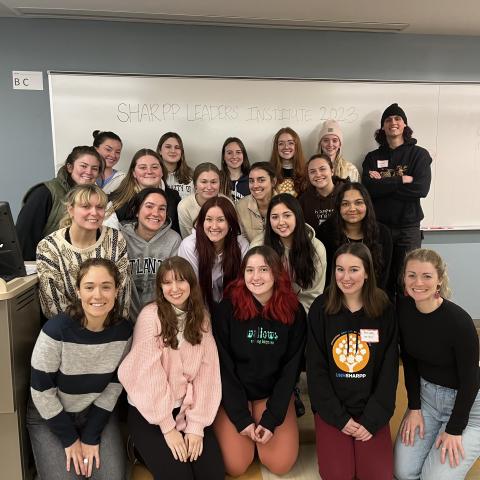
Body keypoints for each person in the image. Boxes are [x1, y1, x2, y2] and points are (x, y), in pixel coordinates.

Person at [118, 256, 224, 480]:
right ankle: (139, 448)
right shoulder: (150, 317)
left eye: (181, 281)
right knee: (180, 476)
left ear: (191, 285)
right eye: (167, 283)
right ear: (160, 288)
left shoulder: (201, 318)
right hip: (151, 411)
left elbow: (208, 374)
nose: (174, 288)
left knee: (212, 475)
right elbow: (147, 377)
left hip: (186, 408)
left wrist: (195, 427)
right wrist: (168, 428)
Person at [27, 258, 132, 480]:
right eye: (89, 287)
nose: (98, 295)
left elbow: (114, 385)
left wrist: (91, 436)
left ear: (116, 290)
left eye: (106, 287)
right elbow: (41, 392)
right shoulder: (56, 331)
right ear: (78, 291)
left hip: (95, 411)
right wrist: (70, 440)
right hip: (50, 414)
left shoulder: (124, 333)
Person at [212, 246, 307, 476]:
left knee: (280, 464)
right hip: (236, 394)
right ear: (242, 274)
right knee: (234, 465)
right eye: (250, 270)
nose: (256, 277)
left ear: (276, 273)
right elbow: (223, 367)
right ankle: (246, 436)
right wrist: (241, 418)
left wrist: (272, 418)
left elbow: (291, 370)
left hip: (271, 394)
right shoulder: (227, 308)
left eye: (264, 269)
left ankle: (260, 433)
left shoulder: (294, 311)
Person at [307, 243, 398, 480]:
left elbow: (389, 371)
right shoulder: (321, 308)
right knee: (338, 475)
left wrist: (373, 419)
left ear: (367, 272)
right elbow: (316, 370)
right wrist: (339, 417)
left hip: (371, 408)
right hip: (333, 409)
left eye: (354, 270)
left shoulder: (384, 308)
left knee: (377, 476)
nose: (346, 277)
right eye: (340, 269)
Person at [394, 248, 480, 480]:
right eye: (411, 275)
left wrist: (454, 429)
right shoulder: (403, 310)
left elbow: (471, 381)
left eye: (427, 276)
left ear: (439, 280)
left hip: (468, 407)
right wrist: (414, 407)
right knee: (403, 472)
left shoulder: (459, 322)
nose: (418, 282)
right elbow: (410, 361)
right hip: (427, 399)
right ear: (404, 278)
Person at [362, 103, 432, 297]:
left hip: (408, 229)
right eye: (388, 120)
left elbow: (421, 188)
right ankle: (385, 324)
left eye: (397, 119)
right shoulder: (372, 157)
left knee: (407, 281)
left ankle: (405, 324)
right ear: (382, 127)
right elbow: (368, 189)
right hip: (379, 228)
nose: (393, 122)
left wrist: (384, 183)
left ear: (404, 125)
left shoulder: (419, 155)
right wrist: (401, 180)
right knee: (380, 280)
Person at [36, 184, 130, 319]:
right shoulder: (49, 246)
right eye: (86, 206)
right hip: (66, 329)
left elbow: (122, 293)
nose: (94, 212)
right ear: (71, 209)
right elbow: (53, 305)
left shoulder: (115, 239)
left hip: (110, 324)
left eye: (100, 207)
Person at [16, 145, 104, 260]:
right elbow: (24, 238)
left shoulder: (96, 198)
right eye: (83, 166)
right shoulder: (44, 193)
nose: (89, 172)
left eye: (94, 168)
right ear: (70, 167)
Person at [251, 193, 326, 313]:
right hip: (265, 311)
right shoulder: (258, 246)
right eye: (275, 217)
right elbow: (253, 287)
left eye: (287, 215)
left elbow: (313, 295)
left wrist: (296, 319)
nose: (281, 222)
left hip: (300, 313)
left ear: (297, 216)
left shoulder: (316, 248)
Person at [178, 196, 249, 312]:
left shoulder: (241, 245)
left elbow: (244, 286)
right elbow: (192, 289)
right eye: (209, 219)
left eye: (221, 220)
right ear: (202, 222)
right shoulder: (189, 246)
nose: (214, 226)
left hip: (233, 308)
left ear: (230, 223)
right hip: (197, 309)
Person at [317, 182, 393, 290]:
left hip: (372, 297)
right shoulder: (325, 232)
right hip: (335, 297)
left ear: (367, 205)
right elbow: (326, 276)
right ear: (338, 207)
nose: (352, 209)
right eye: (345, 204)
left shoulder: (382, 233)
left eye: (358, 203)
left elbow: (384, 277)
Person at [121, 187, 182, 322]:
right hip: (124, 318)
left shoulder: (174, 240)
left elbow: (175, 286)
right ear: (137, 211)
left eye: (162, 209)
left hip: (161, 317)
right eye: (149, 206)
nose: (156, 213)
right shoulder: (121, 238)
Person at [106, 148, 180, 233]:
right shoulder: (115, 200)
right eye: (143, 167)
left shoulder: (174, 197)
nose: (149, 171)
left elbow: (177, 233)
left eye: (155, 167)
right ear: (134, 172)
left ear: (162, 171)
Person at [177, 162, 231, 239]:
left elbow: (232, 234)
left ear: (220, 184)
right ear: (195, 184)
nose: (209, 187)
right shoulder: (184, 206)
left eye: (213, 182)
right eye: (204, 182)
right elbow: (188, 238)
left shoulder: (227, 203)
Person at [298, 154, 348, 235]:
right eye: (312, 171)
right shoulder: (303, 200)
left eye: (322, 169)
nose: (318, 174)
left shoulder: (347, 193)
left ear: (332, 171)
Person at [236, 162, 277, 242]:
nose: (255, 186)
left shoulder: (286, 203)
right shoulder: (241, 206)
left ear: (273, 182)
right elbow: (242, 239)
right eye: (251, 181)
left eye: (261, 180)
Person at [269, 127, 306, 197]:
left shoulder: (306, 171)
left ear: (296, 146)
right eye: (281, 143)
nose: (286, 147)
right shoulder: (268, 171)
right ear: (276, 147)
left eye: (290, 143)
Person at [156, 132, 194, 200]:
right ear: (160, 151)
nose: (173, 151)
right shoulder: (152, 175)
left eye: (177, 147)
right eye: (168, 147)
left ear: (181, 152)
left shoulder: (192, 175)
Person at [219, 137, 250, 202]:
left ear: (243, 155)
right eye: (229, 153)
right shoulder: (217, 179)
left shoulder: (251, 179)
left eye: (238, 152)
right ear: (224, 157)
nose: (234, 156)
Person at [93, 130, 125, 194]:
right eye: (108, 149)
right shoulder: (85, 175)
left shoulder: (124, 179)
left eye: (117, 152)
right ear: (95, 149)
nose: (113, 155)